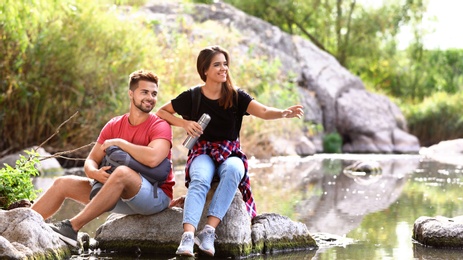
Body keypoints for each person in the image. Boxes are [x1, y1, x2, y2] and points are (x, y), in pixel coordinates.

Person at [156, 45, 304, 257]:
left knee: (235, 170)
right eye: (217, 64)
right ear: (205, 70)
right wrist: (184, 123)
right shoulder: (193, 96)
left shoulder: (236, 97)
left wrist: (283, 113)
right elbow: (162, 112)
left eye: (225, 64)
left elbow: (262, 111)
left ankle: (208, 232)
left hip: (230, 153)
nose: (223, 68)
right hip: (202, 152)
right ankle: (188, 237)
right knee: (200, 178)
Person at [31, 69, 174, 247]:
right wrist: (95, 173)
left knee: (122, 172)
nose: (150, 97)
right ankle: (24, 223)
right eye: (144, 92)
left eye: (154, 93)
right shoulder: (114, 124)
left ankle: (71, 228)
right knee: (62, 183)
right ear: (131, 93)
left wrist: (120, 143)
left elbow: (153, 158)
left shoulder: (160, 126)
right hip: (117, 196)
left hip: (154, 196)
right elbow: (91, 160)